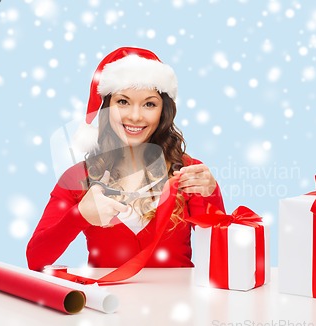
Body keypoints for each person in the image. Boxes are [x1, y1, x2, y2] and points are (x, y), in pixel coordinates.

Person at [26, 47, 225, 271]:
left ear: (163, 111)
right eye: (123, 102)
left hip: (180, 303)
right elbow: (36, 259)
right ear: (107, 107)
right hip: (108, 304)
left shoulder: (189, 172)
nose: (135, 116)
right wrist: (79, 215)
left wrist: (211, 194)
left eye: (149, 104)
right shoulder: (77, 178)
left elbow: (222, 259)